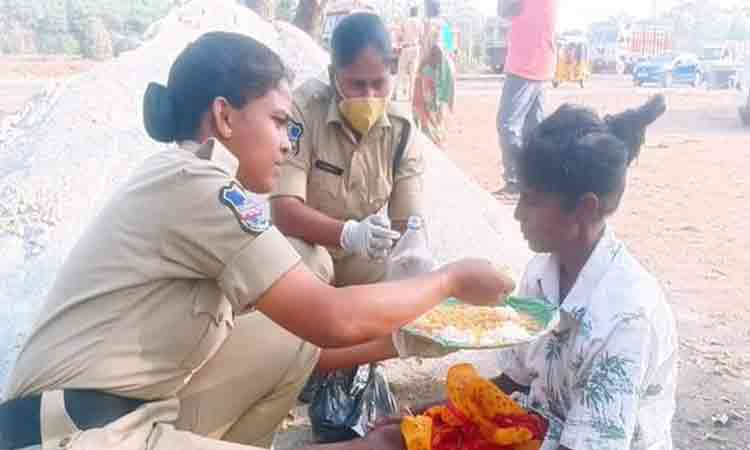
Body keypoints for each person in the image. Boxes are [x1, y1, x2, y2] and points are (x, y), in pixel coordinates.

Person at [0, 31, 513, 450]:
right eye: (278, 122)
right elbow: (332, 319)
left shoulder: (195, 179)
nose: (289, 142)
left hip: (118, 414)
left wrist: (406, 338)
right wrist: (450, 281)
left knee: (285, 335)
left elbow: (304, 348)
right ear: (224, 117)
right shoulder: (203, 189)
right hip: (74, 435)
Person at [381, 95, 676, 450]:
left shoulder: (626, 319)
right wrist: (427, 413)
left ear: (584, 208)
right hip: (537, 429)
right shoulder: (543, 272)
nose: (519, 214)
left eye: (532, 201)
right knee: (393, 438)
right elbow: (517, 380)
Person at [271, 12, 426, 289]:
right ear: (333, 76)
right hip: (311, 250)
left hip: (364, 258)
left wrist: (413, 254)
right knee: (303, 261)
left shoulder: (402, 129)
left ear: (391, 71)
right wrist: (349, 234)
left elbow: (407, 224)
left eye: (378, 83)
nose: (369, 96)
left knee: (408, 275)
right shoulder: (302, 114)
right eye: (357, 84)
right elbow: (283, 210)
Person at [495, 0, 558, 194]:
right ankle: (535, 181)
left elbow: (504, 10)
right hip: (543, 63)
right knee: (534, 129)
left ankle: (516, 181)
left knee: (508, 125)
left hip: (525, 64)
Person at [413, 43, 455, 148]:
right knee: (430, 133)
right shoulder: (429, 70)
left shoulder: (430, 67)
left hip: (423, 105)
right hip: (423, 105)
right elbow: (425, 95)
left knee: (429, 131)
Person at [395, 6, 422, 102]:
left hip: (406, 48)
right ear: (417, 13)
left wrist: (400, 41)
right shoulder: (419, 22)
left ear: (410, 12)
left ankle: (396, 93)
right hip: (415, 48)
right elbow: (421, 36)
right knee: (412, 73)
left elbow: (399, 35)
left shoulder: (405, 21)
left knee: (401, 72)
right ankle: (411, 96)